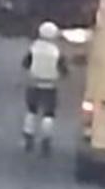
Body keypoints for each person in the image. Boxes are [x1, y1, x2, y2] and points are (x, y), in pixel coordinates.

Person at [21, 21, 69, 155]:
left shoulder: (33, 48)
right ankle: (46, 140)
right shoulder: (56, 52)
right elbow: (64, 70)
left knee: (31, 111)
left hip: (34, 83)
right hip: (50, 85)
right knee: (48, 114)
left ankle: (28, 136)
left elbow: (25, 64)